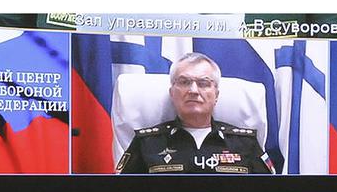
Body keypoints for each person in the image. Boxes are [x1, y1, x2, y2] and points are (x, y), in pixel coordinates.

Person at [117, 52, 274, 175]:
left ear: (216, 95)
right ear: (172, 93)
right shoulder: (146, 143)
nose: (193, 90)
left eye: (203, 83)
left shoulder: (245, 143)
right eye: (184, 82)